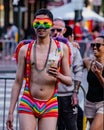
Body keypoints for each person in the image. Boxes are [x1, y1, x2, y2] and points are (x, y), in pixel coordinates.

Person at [6, 8, 72, 130]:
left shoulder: (62, 48)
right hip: (28, 100)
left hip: (50, 102)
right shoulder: (24, 49)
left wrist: (59, 75)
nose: (41, 27)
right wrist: (10, 111)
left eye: (45, 23)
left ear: (51, 25)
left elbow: (69, 81)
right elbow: (17, 82)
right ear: (33, 25)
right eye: (37, 23)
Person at [51, 18, 83, 130]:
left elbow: (78, 70)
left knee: (71, 126)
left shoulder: (72, 48)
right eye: (53, 30)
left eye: (58, 30)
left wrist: (75, 93)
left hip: (67, 96)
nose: (55, 33)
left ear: (64, 30)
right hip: (50, 96)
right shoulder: (44, 46)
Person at [83, 35, 104, 130]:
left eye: (98, 45)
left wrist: (99, 75)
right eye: (93, 45)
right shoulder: (88, 62)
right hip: (89, 103)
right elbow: (72, 61)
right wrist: (72, 45)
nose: (95, 47)